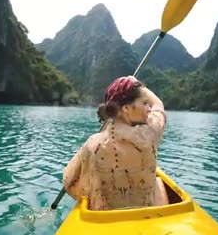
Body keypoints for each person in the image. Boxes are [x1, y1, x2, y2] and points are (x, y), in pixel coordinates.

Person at [62, 75, 169, 210]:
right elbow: (158, 105)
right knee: (158, 182)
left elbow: (67, 180)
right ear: (126, 109)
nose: (148, 109)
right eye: (144, 103)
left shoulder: (93, 144)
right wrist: (140, 85)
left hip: (105, 218)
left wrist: (92, 191)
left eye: (148, 104)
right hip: (144, 216)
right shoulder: (150, 134)